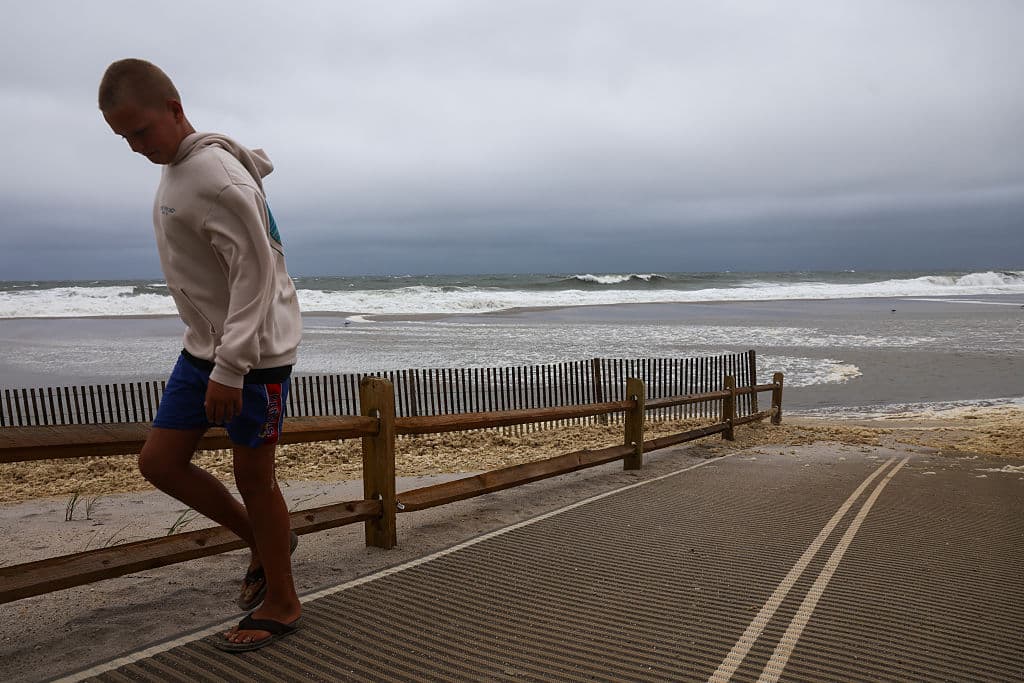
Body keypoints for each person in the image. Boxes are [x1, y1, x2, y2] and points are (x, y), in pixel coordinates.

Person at [98, 59, 303, 652]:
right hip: (204, 347)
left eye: (140, 132)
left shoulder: (217, 178)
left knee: (254, 477)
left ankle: (284, 602)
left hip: (254, 354)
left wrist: (232, 367)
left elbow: (257, 279)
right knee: (160, 463)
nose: (135, 147)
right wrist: (214, 357)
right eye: (122, 139)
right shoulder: (178, 166)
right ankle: (267, 545)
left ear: (173, 106)